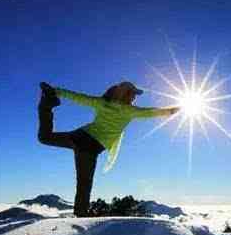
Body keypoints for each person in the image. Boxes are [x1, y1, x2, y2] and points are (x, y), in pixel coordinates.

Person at [37, 81, 180, 217]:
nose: (134, 97)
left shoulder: (102, 103)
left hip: (79, 137)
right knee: (84, 183)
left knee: (45, 137)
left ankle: (46, 104)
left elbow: (78, 97)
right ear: (125, 94)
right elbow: (151, 113)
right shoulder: (129, 111)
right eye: (133, 94)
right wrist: (174, 110)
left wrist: (56, 91)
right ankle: (80, 214)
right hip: (88, 147)